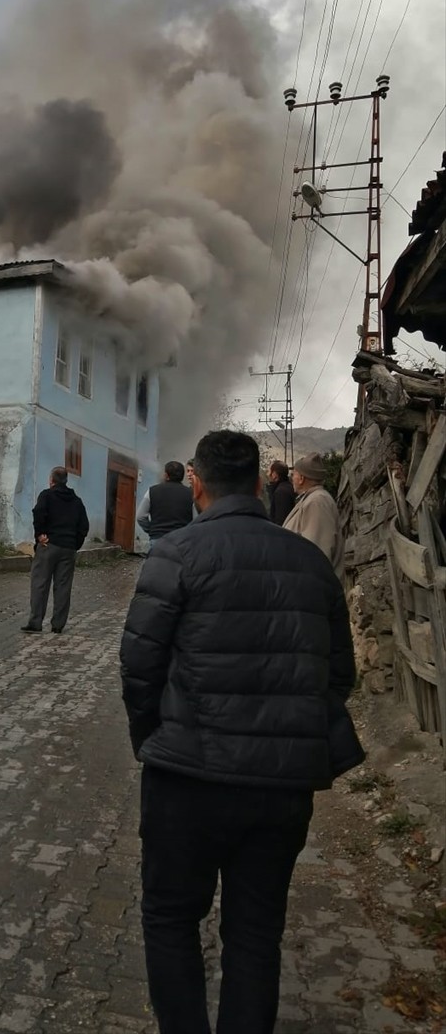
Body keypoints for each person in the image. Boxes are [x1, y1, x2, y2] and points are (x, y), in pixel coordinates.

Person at [120, 430, 363, 1034]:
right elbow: (339, 675)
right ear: (260, 484)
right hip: (279, 791)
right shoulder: (309, 562)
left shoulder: (173, 557)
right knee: (256, 934)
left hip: (186, 782)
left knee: (171, 919)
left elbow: (139, 669)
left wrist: (155, 742)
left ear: (196, 485)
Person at [21, 467, 89, 634]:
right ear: (66, 480)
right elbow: (84, 526)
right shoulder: (77, 501)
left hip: (48, 546)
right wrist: (75, 543)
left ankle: (36, 623)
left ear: (52, 480)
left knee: (40, 584)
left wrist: (39, 535)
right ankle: (58, 625)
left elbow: (38, 513)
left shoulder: (47, 496)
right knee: (63, 587)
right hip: (68, 548)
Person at [284, 452, 345, 582]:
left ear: (301, 478)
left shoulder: (317, 502)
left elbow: (316, 552)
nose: (291, 478)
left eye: (293, 474)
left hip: (313, 591)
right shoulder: (311, 500)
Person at [136, 460, 193, 547]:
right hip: (181, 540)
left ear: (166, 475)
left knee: (157, 560)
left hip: (158, 539)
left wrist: (151, 530)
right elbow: (196, 519)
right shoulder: (190, 494)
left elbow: (140, 516)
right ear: (182, 476)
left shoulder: (152, 491)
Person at [267, 459, 296, 525]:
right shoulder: (285, 488)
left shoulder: (281, 492)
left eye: (269, 471)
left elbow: (280, 522)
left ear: (274, 474)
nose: (267, 474)